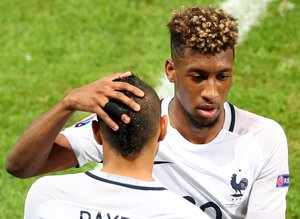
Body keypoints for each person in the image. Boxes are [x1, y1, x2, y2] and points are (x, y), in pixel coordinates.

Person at [7, 6, 289, 219]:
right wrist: (65, 105)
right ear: (171, 70)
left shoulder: (263, 138)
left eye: (223, 76)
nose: (212, 92)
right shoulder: (138, 119)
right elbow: (22, 166)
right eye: (198, 77)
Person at [24, 75, 210, 219]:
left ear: (96, 132)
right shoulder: (188, 215)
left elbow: (18, 164)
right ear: (162, 129)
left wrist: (68, 102)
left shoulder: (47, 195)